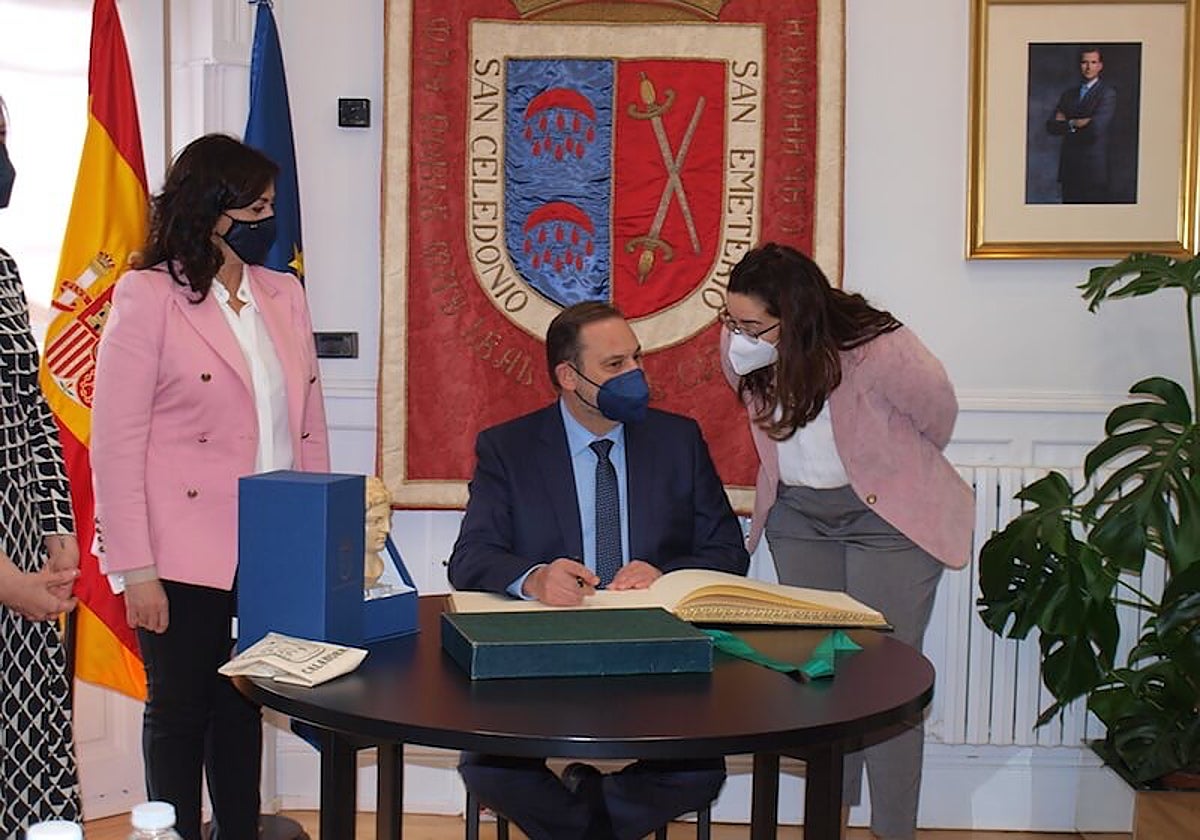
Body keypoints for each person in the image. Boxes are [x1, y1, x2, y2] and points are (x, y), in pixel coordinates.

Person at [91, 133, 330, 840]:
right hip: (178, 551)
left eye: (272, 205)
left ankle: (238, 832)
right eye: (257, 206)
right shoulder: (147, 294)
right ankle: (173, 834)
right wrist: (136, 569)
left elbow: (309, 429)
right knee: (180, 709)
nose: (269, 221)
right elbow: (116, 444)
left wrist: (314, 544)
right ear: (213, 211)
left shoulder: (282, 294)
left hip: (270, 546)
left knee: (243, 702)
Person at [448, 301, 749, 840]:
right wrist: (535, 576)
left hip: (654, 653)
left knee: (699, 768)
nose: (635, 375)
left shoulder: (677, 439)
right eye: (615, 365)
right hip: (546, 654)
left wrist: (665, 573)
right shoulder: (509, 447)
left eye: (636, 359)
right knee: (486, 765)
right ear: (569, 376)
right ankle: (600, 820)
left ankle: (585, 815)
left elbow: (728, 551)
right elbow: (472, 557)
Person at [719, 243, 973, 840]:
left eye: (752, 322)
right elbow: (748, 395)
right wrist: (747, 344)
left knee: (887, 677)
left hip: (885, 523)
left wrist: (885, 471)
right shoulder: (750, 345)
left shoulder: (877, 346)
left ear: (798, 312)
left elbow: (939, 414)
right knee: (821, 675)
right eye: (732, 319)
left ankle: (893, 831)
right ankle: (823, 825)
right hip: (799, 517)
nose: (739, 331)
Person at [0, 93, 84, 838]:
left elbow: (29, 412)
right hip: (4, 575)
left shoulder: (1, 268)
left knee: (28, 763)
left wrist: (57, 533)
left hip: (24, 563)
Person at [1046, 46, 1117, 203]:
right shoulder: (1068, 94)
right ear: (1079, 65)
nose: (1088, 67)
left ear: (1100, 66)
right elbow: (1051, 126)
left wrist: (1066, 122)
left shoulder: (1107, 94)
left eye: (1093, 62)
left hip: (1092, 172)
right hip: (1069, 170)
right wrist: (1075, 122)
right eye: (1084, 62)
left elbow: (1095, 129)